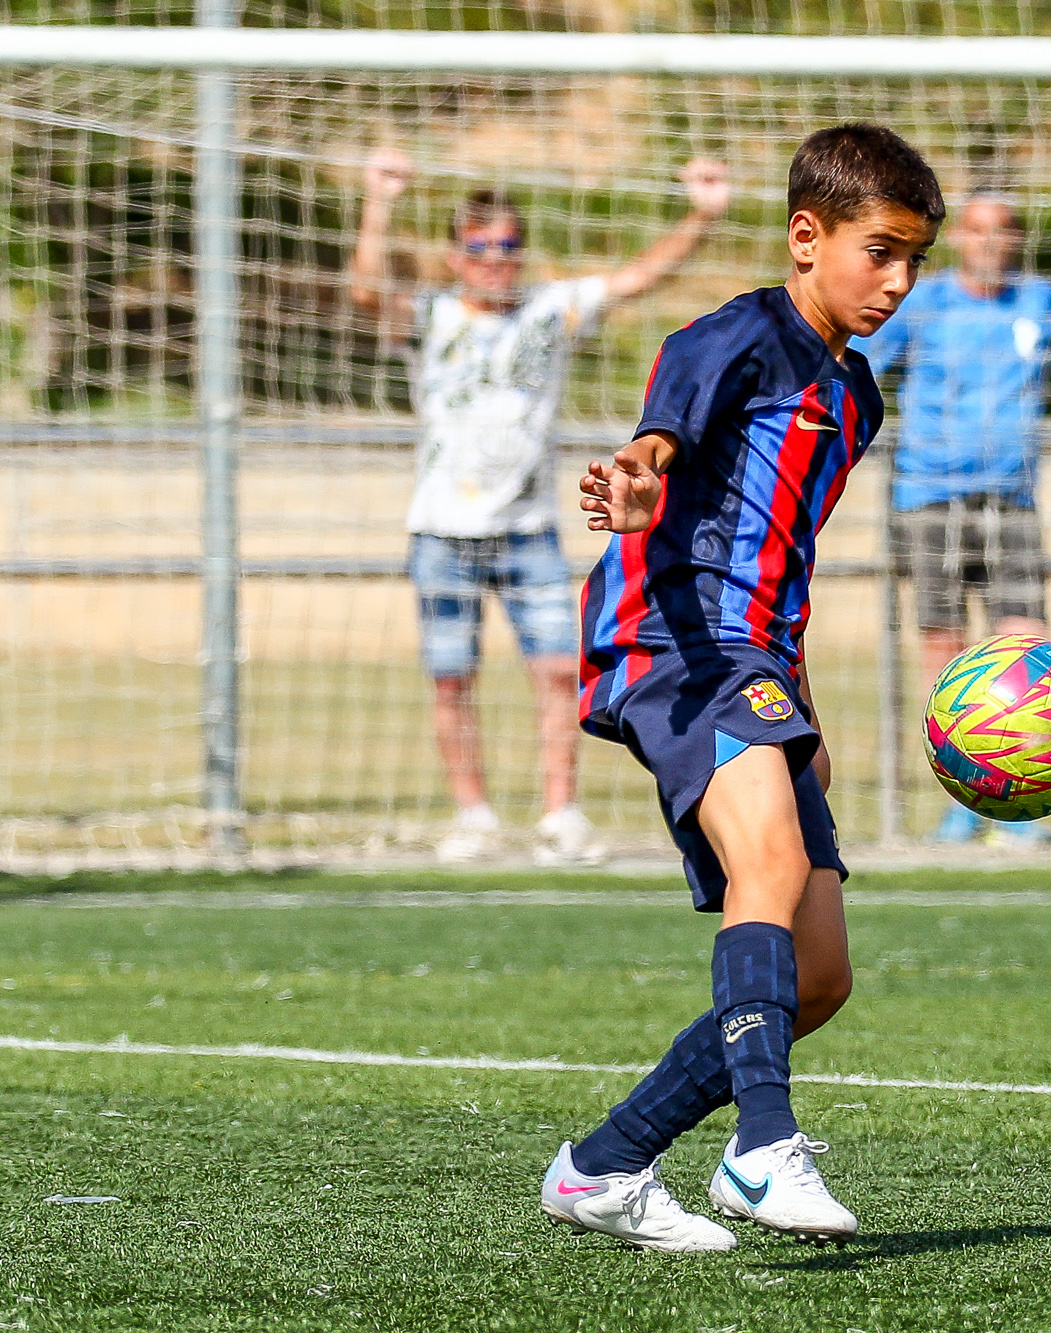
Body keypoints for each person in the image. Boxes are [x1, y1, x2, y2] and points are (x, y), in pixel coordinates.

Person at [536, 125, 945, 1251]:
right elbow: (656, 444)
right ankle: (763, 1144)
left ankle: (603, 1165)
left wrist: (802, 710)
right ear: (806, 236)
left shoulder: (854, 396)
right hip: (677, 642)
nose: (898, 282)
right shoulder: (733, 337)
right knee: (769, 866)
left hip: (759, 665)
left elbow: (782, 553)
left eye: (915, 259)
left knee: (818, 976)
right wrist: (635, 483)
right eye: (880, 252)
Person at [348, 149, 731, 864]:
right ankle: (474, 815)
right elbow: (366, 291)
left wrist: (703, 215)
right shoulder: (433, 315)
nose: (495, 261)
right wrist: (379, 201)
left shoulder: (548, 311)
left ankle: (560, 813)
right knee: (451, 678)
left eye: (507, 247)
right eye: (480, 249)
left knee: (559, 670)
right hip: (442, 530)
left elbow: (639, 277)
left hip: (528, 530)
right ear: (457, 257)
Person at [851, 187, 1051, 843]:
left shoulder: (1039, 301)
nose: (992, 240)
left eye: (1005, 228)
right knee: (945, 647)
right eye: (980, 228)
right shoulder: (924, 302)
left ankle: (1027, 793)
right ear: (960, 237)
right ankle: (965, 793)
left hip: (1011, 496)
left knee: (1029, 645)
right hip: (930, 494)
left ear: (1017, 239)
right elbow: (860, 365)